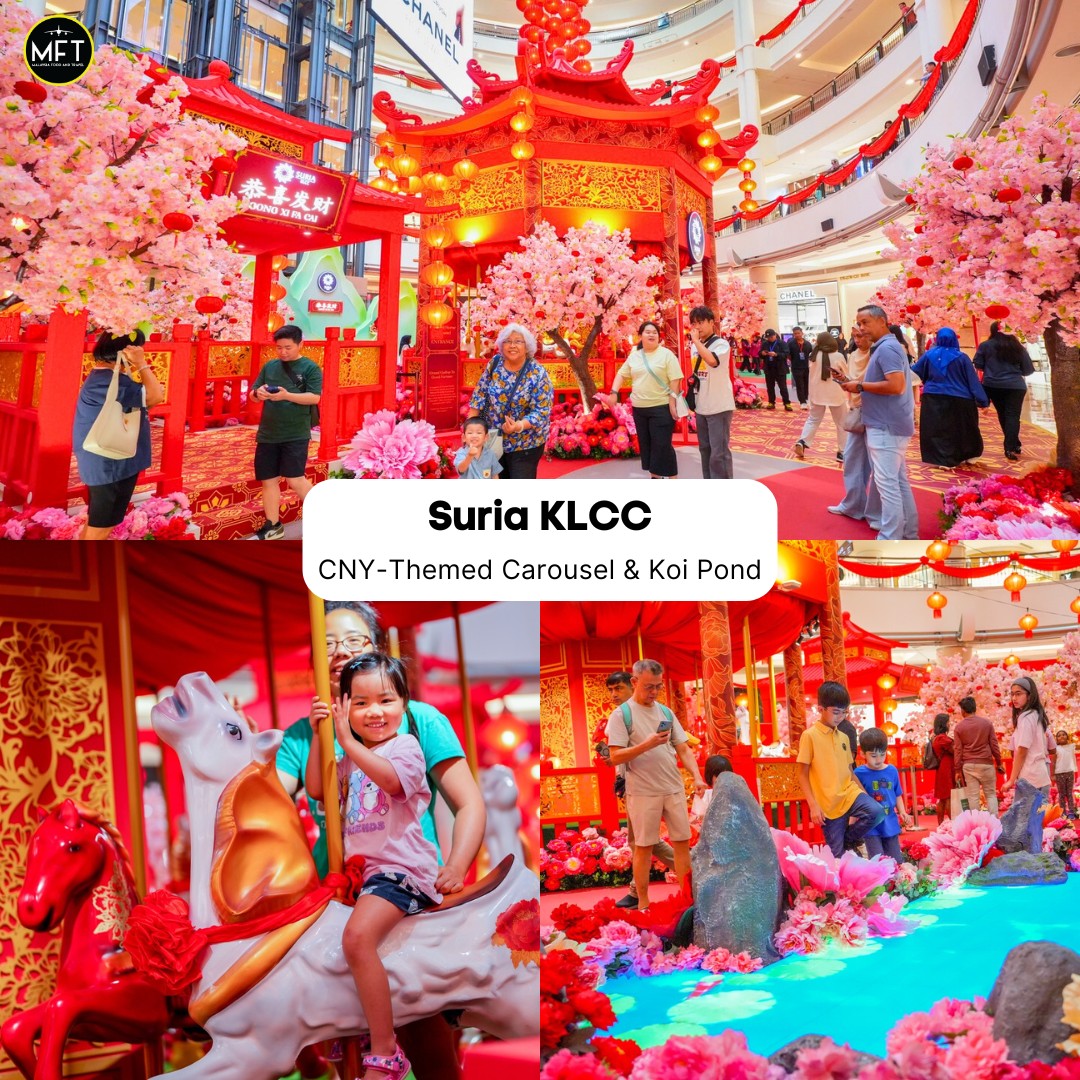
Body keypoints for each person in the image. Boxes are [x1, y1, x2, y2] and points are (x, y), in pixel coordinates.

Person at [276, 602, 485, 1080]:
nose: (339, 653)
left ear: (378, 650)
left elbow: (468, 803)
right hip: (334, 889)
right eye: (326, 644)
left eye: (353, 642)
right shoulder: (304, 733)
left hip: (397, 881)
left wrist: (454, 865)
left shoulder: (414, 721)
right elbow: (285, 795)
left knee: (424, 1032)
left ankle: (391, 1053)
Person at [306, 653, 439, 1080]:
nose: (374, 712)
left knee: (358, 937)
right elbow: (314, 788)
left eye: (385, 699)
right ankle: (357, 1024)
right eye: (359, 703)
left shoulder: (406, 748)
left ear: (404, 703)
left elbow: (391, 781)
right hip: (364, 875)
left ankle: (385, 1051)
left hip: (400, 870)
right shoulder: (349, 758)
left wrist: (346, 741)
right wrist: (319, 735)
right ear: (344, 706)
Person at [604, 659, 706, 910]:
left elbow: (682, 747)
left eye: (658, 687)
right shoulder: (621, 715)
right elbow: (614, 756)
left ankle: (687, 898)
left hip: (672, 787)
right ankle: (643, 904)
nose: (654, 692)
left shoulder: (666, 712)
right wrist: (647, 744)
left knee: (682, 842)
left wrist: (697, 775)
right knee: (643, 847)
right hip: (642, 791)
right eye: (649, 686)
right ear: (635, 682)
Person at [73, 330, 165, 540]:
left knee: (98, 521)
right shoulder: (108, 381)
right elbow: (155, 396)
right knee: (102, 526)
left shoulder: (103, 378)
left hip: (109, 460)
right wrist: (141, 364)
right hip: (111, 463)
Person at [598, 671, 676, 909]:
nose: (613, 695)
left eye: (618, 689)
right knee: (639, 840)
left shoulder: (651, 713)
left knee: (643, 841)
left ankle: (690, 866)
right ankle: (639, 889)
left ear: (633, 686)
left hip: (653, 785)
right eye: (610, 690)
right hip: (632, 785)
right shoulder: (620, 716)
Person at [840, 305, 918, 540]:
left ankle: (891, 536)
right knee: (897, 482)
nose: (861, 328)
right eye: (859, 323)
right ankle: (908, 533)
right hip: (889, 423)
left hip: (886, 425)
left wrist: (860, 386)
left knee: (887, 485)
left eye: (865, 322)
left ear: (882, 321)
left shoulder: (887, 349)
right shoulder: (886, 347)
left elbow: (896, 386)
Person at [250, 324, 323, 540]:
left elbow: (314, 398)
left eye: (288, 347)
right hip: (268, 432)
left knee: (295, 478)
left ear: (300, 344)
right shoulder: (270, 366)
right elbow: (254, 393)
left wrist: (286, 395)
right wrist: (259, 393)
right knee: (268, 479)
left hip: (295, 432)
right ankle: (272, 525)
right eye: (279, 347)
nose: (283, 352)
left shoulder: (310, 368)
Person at [796, 681, 885, 857]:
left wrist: (865, 795)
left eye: (844, 712)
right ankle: (846, 846)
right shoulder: (809, 736)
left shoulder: (844, 737)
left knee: (876, 811)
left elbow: (849, 771)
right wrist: (813, 805)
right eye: (836, 712)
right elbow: (801, 773)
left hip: (849, 794)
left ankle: (849, 840)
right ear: (820, 709)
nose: (840, 717)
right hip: (827, 803)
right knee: (838, 857)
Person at [599, 320, 683, 479]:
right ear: (640, 336)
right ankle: (655, 477)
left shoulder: (667, 355)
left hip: (661, 407)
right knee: (648, 445)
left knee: (662, 445)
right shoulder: (635, 356)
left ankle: (673, 479)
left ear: (659, 336)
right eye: (647, 332)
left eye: (654, 332)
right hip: (640, 409)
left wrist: (672, 403)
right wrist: (613, 392)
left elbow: (675, 380)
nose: (651, 334)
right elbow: (621, 374)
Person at [467, 323, 553, 479]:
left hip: (526, 443)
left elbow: (542, 411)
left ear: (527, 347)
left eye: (518, 341)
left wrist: (518, 426)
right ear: (501, 345)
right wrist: (470, 431)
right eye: (508, 341)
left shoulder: (537, 373)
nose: (512, 345)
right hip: (494, 438)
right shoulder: (495, 363)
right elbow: (479, 395)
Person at [912, 328, 989, 467]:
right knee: (963, 428)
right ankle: (969, 454)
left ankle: (943, 459)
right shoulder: (961, 357)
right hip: (960, 398)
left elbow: (916, 372)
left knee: (937, 429)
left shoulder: (929, 355)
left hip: (933, 398)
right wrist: (983, 401)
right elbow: (972, 380)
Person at [973, 322, 1036, 461]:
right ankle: (1011, 446)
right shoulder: (1017, 347)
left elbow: (978, 364)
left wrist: (991, 368)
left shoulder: (985, 346)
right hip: (1015, 386)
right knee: (1013, 415)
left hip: (993, 385)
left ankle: (1013, 443)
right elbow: (1028, 369)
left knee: (1003, 415)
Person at [688, 305, 735, 479]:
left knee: (719, 453)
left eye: (700, 322)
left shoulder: (722, 344)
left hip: (719, 406)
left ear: (711, 322)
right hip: (701, 406)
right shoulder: (695, 346)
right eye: (694, 323)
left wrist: (697, 343)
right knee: (705, 450)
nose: (697, 327)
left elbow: (712, 361)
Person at [855, 728, 912, 861]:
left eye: (882, 754)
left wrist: (902, 811)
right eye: (874, 756)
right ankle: (881, 882)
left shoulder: (892, 770)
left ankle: (896, 881)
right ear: (863, 754)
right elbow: (856, 799)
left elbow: (897, 793)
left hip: (890, 820)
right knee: (877, 859)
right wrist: (851, 822)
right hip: (870, 824)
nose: (879, 759)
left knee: (896, 859)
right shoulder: (858, 773)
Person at [794, 331, 848, 464]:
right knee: (841, 424)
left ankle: (803, 441)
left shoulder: (813, 356)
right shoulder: (838, 356)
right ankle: (842, 452)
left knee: (813, 419)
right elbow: (846, 373)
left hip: (817, 393)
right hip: (835, 393)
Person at [1002, 676, 1053, 803]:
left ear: (1029, 696)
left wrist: (1011, 779)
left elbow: (1022, 750)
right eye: (1012, 694)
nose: (1014, 698)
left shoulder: (1025, 717)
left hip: (1030, 778)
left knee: (1024, 821)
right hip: (1040, 775)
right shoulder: (1035, 714)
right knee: (1038, 820)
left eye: (1018, 694)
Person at [952, 695, 1003, 815]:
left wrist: (957, 770)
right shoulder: (987, 724)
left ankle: (976, 824)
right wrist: (999, 762)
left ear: (963, 711)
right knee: (990, 794)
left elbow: (958, 750)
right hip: (986, 763)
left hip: (969, 765)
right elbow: (994, 745)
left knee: (973, 797)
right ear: (975, 708)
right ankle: (994, 822)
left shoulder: (959, 728)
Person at [930, 713, 955, 824]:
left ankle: (940, 823)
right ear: (944, 724)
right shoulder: (943, 738)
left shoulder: (936, 738)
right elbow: (955, 751)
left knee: (943, 798)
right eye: (948, 722)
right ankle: (952, 822)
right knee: (949, 797)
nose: (949, 724)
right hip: (947, 768)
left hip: (943, 769)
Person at [760, 329, 792, 411]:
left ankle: (787, 403)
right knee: (770, 387)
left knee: (783, 387)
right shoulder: (765, 344)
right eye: (768, 337)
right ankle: (771, 402)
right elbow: (760, 353)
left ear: (775, 335)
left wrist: (776, 354)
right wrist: (762, 353)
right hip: (769, 368)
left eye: (771, 337)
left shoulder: (782, 343)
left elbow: (786, 354)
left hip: (780, 368)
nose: (769, 338)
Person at [788, 325, 813, 409]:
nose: (797, 335)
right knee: (799, 384)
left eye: (798, 333)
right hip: (796, 367)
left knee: (806, 384)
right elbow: (788, 354)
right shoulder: (791, 343)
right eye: (795, 334)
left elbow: (811, 354)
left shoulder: (808, 344)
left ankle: (806, 398)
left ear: (802, 333)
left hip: (807, 367)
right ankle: (802, 402)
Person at [1055, 731, 1077, 818]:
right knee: (1062, 794)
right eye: (1059, 736)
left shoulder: (1072, 746)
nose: (1061, 737)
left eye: (1063, 734)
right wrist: (1053, 774)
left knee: (1069, 793)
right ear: (1056, 739)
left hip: (1070, 772)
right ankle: (1063, 812)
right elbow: (1053, 762)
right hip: (1059, 773)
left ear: (1067, 736)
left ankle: (1071, 811)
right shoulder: (1056, 748)